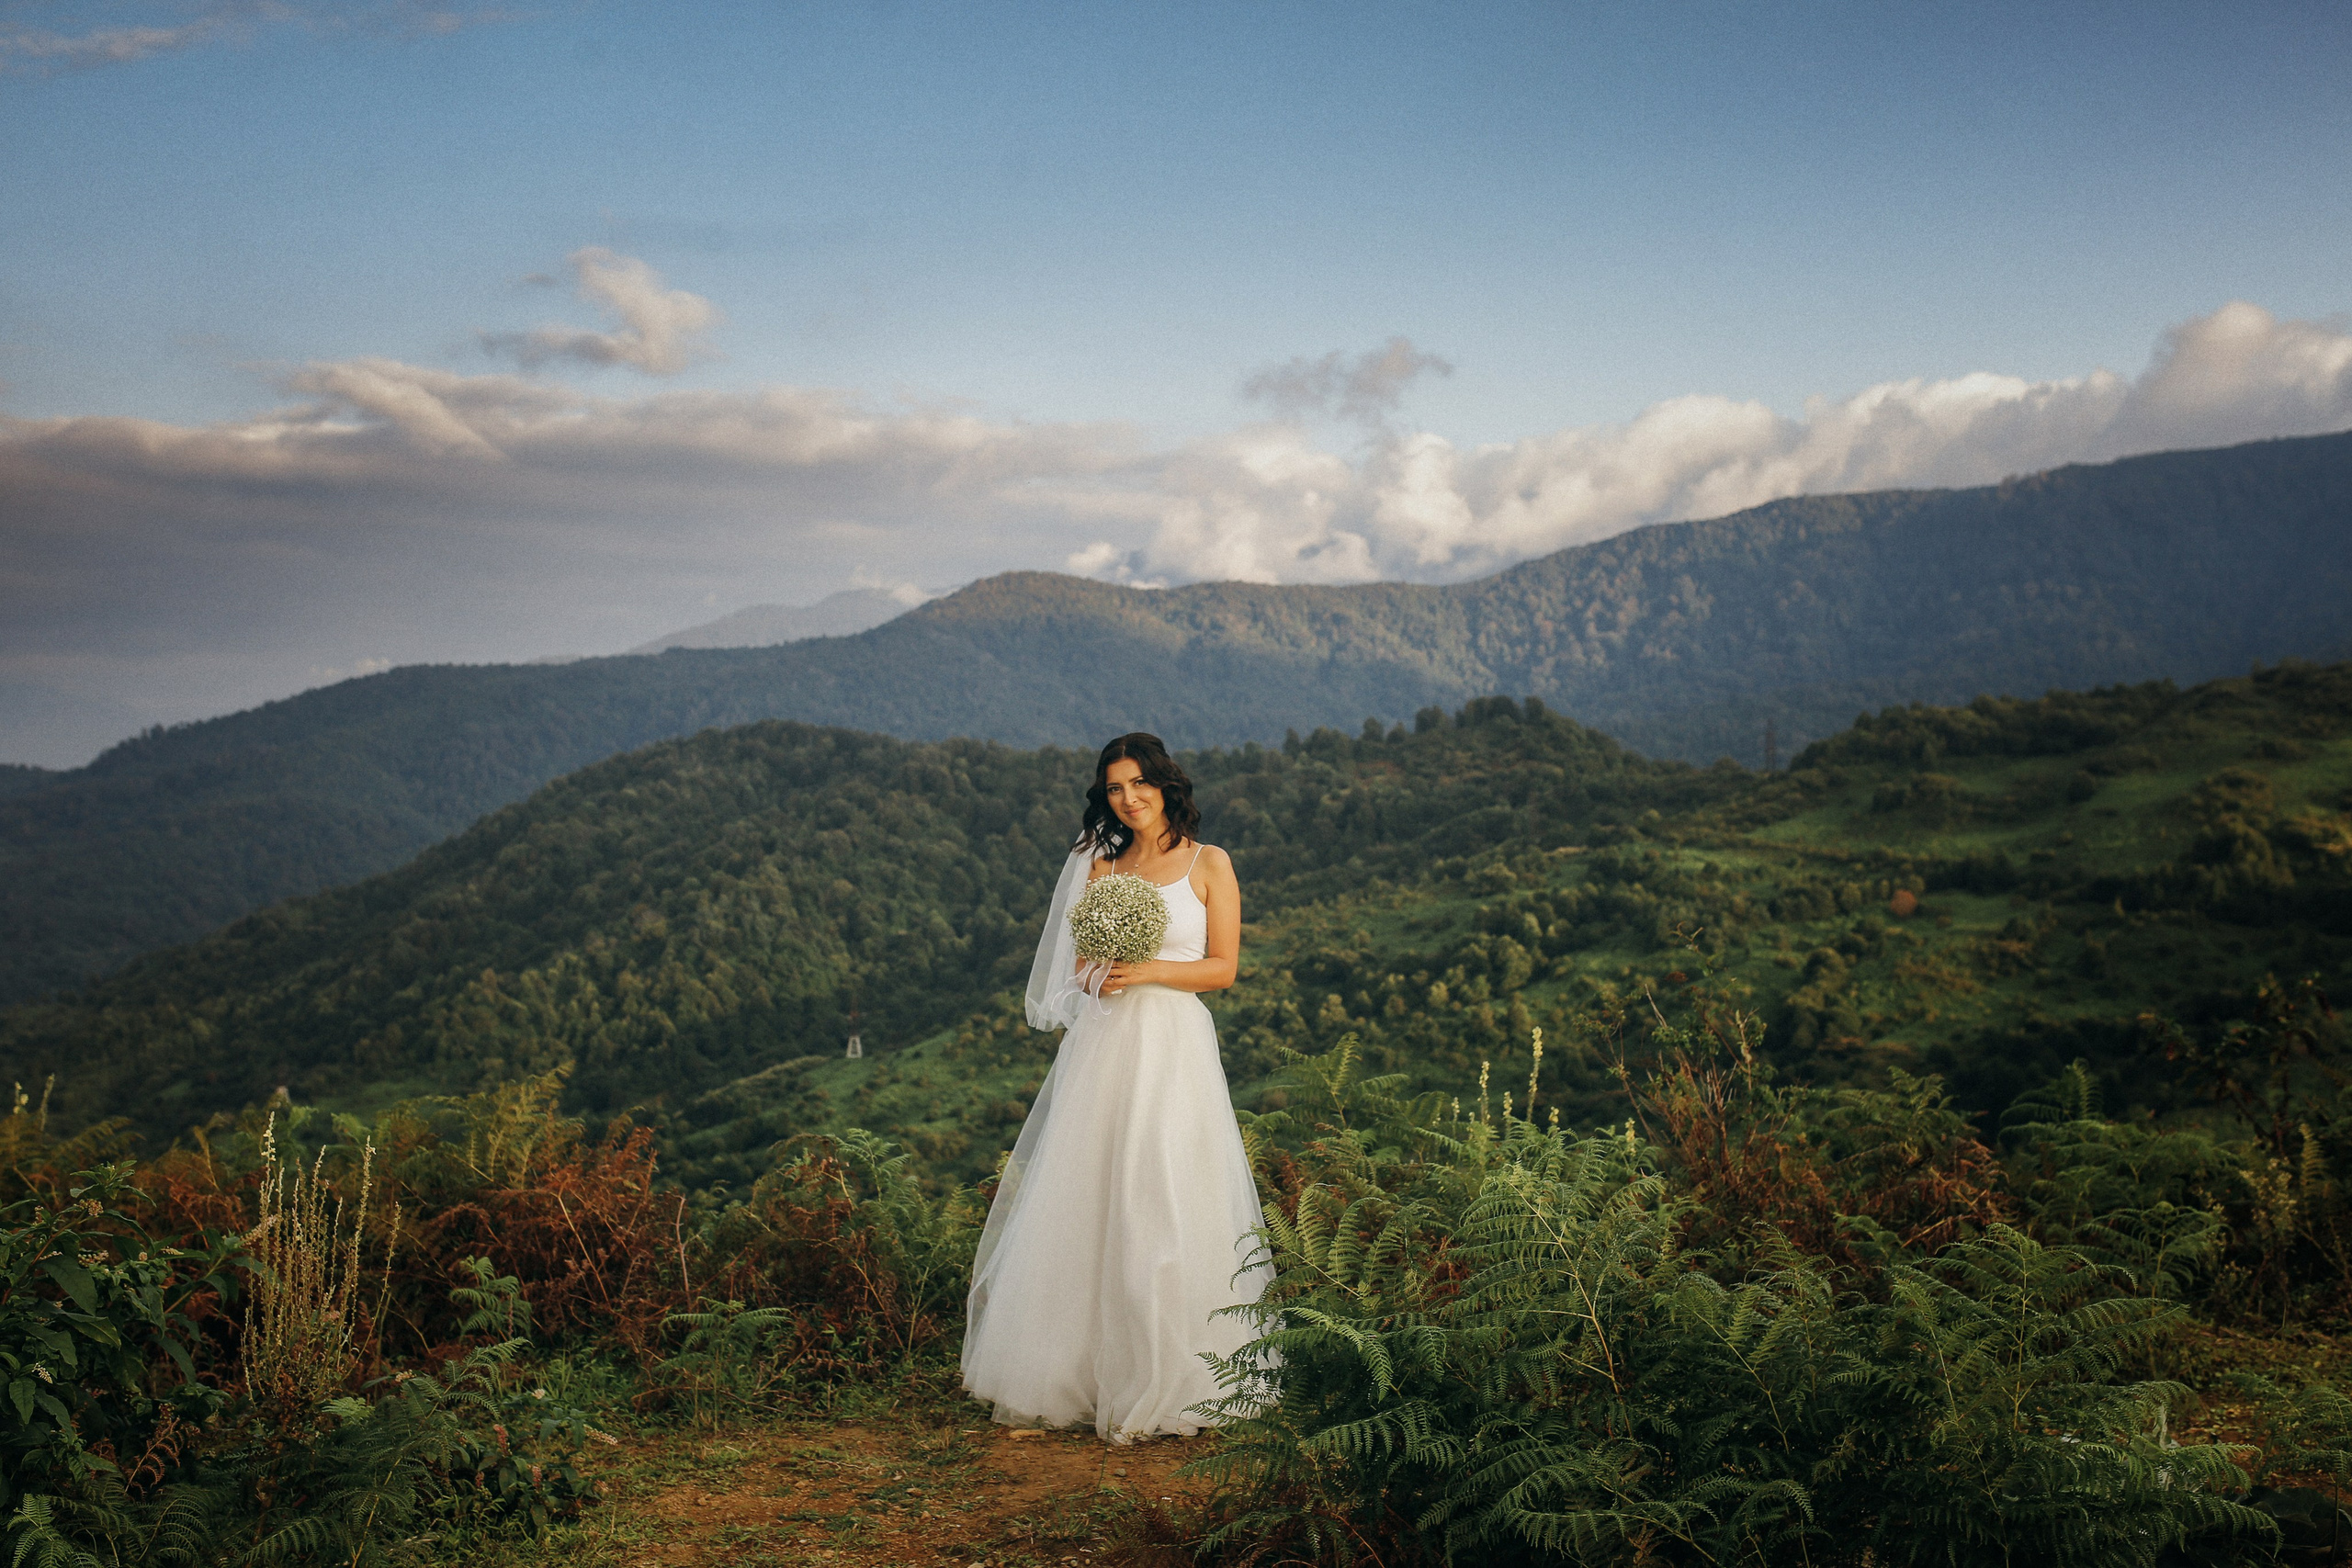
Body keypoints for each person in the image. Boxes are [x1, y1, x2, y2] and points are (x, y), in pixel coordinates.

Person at [960, 732, 1273, 1440]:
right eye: (1114, 788)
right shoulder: (1101, 866)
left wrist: (1151, 969)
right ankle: (1080, 1372)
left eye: (1139, 783)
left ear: (1165, 784)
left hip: (1176, 1043)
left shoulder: (1209, 862)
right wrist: (1100, 974)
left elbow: (1224, 967)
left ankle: (1182, 1371)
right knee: (1093, 1192)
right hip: (1107, 1044)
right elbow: (1080, 968)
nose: (1128, 799)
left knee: (1171, 1189)